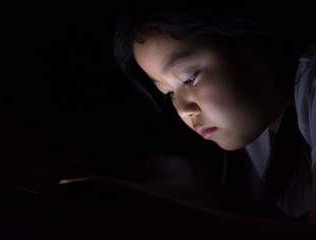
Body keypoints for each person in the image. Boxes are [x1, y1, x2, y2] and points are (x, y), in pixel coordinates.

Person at [112, 1, 316, 225]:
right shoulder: (252, 127)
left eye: (189, 78)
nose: (183, 111)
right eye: (168, 91)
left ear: (259, 41)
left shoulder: (310, 83)